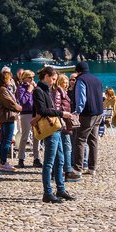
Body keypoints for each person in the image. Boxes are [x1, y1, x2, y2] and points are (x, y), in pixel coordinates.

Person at [34, 66, 75, 203]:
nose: (54, 81)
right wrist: (61, 113)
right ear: (46, 77)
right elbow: (42, 111)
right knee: (49, 162)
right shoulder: (39, 91)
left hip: (56, 128)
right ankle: (47, 192)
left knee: (60, 160)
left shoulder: (46, 89)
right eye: (53, 79)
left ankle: (60, 189)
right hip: (50, 129)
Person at [71, 61, 105, 175]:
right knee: (93, 140)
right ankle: (92, 168)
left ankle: (77, 169)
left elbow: (81, 98)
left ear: (78, 71)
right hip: (99, 113)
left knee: (80, 140)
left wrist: (77, 112)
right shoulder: (97, 79)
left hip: (87, 114)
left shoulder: (81, 80)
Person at [53, 74, 80, 182]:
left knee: (63, 147)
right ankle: (67, 171)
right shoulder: (59, 92)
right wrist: (63, 117)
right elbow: (57, 108)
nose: (66, 84)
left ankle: (58, 171)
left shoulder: (62, 92)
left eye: (66, 82)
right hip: (63, 123)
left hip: (65, 122)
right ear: (59, 82)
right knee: (66, 147)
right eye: (64, 82)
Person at [0, 71, 20, 172]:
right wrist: (20, 108)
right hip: (7, 118)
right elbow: (10, 103)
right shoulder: (2, 90)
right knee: (7, 140)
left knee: (5, 139)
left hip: (5, 117)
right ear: (5, 79)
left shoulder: (1, 90)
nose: (11, 80)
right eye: (10, 78)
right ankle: (3, 162)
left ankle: (2, 161)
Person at [15, 70, 39, 168]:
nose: (32, 79)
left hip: (35, 113)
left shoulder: (35, 88)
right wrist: (29, 91)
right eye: (30, 77)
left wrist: (36, 89)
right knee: (24, 137)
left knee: (36, 136)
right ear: (24, 78)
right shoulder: (21, 88)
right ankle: (21, 158)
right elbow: (22, 101)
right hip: (26, 113)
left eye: (33, 77)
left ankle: (36, 158)